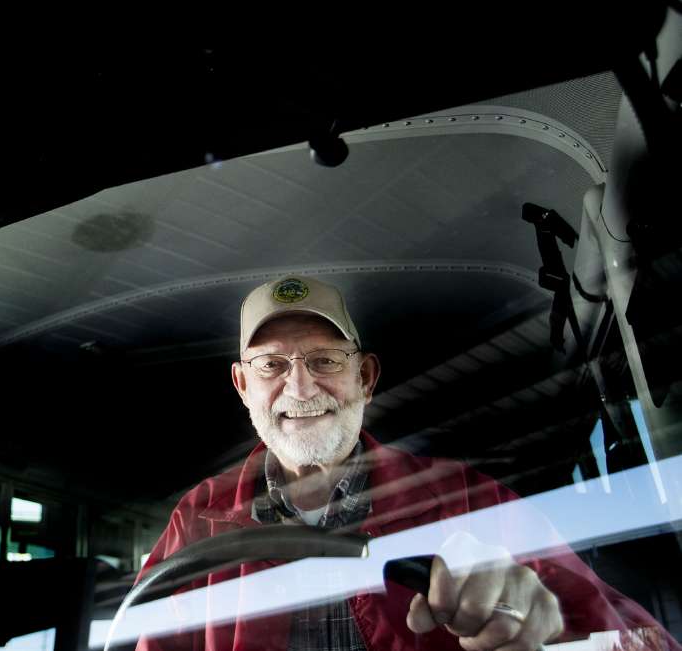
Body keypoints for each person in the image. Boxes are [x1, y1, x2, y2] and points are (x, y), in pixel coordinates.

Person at [133, 275, 675, 651]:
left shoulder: (467, 499)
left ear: (365, 378)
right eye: (271, 365)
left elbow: (632, 637)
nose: (299, 387)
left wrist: (548, 630)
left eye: (325, 360)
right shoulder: (197, 517)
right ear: (242, 385)